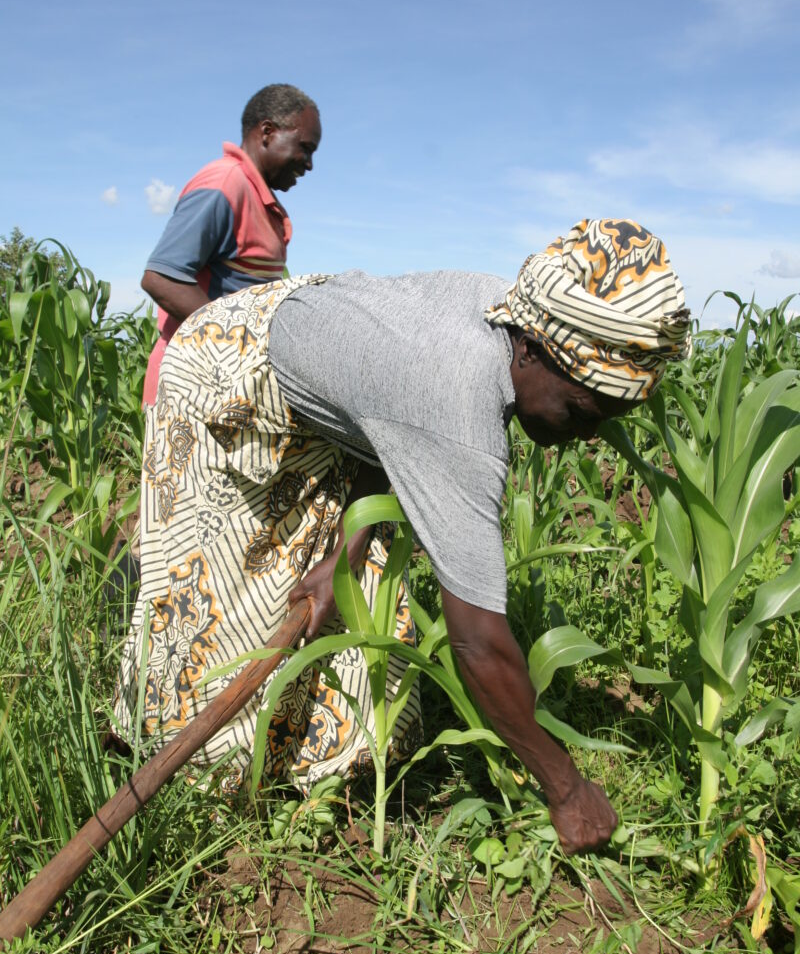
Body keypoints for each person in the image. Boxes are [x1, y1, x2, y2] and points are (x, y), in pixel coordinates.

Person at [113, 218, 691, 853]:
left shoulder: (506, 316)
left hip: (330, 389)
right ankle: (175, 766)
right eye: (581, 410)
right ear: (531, 347)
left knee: (348, 588)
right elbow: (478, 643)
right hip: (226, 369)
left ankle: (313, 768)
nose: (586, 434)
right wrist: (567, 787)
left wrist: (345, 549)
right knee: (224, 596)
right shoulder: (459, 402)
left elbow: (385, 415)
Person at [140, 84, 321, 405]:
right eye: (304, 148)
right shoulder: (225, 184)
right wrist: (239, 347)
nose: (308, 164)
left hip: (224, 388)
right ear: (267, 132)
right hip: (192, 389)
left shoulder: (258, 198)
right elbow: (162, 278)